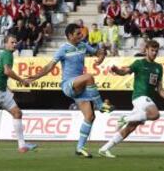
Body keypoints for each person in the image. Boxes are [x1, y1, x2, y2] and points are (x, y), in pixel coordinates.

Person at [26, 24, 114, 158]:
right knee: (89, 77)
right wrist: (36, 77)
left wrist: (101, 57)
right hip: (68, 85)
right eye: (78, 34)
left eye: (81, 33)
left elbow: (99, 52)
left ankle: (80, 148)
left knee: (90, 117)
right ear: (69, 36)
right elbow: (50, 66)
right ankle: (101, 105)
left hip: (80, 87)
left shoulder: (83, 46)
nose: (81, 35)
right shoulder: (63, 49)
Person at [98, 40, 164, 158]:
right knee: (155, 114)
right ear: (146, 50)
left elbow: (159, 88)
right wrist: (117, 70)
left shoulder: (158, 67)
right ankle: (124, 118)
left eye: (156, 51)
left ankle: (104, 148)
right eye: (152, 50)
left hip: (147, 99)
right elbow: (125, 71)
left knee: (131, 127)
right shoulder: (139, 63)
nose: (154, 53)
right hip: (140, 96)